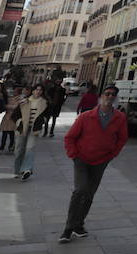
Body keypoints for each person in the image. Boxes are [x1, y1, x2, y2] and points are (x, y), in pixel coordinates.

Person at [59, 84, 128, 243]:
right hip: (82, 159)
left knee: (89, 194)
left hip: (101, 161)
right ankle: (68, 229)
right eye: (107, 93)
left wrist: (112, 154)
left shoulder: (119, 118)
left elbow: (122, 138)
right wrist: (74, 155)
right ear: (101, 96)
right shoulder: (86, 116)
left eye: (113, 95)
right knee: (80, 190)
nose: (109, 97)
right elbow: (70, 137)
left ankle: (79, 224)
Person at [14, 84, 49, 180]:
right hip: (22, 128)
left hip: (34, 129)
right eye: (36, 89)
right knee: (19, 149)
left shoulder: (45, 103)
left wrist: (44, 120)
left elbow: (47, 114)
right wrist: (19, 121)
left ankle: (27, 169)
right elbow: (15, 115)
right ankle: (18, 170)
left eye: (40, 90)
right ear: (33, 91)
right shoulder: (24, 101)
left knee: (30, 148)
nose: (38, 91)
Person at [0, 87, 23, 151]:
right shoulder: (11, 98)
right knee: (4, 132)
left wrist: (7, 106)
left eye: (15, 91)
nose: (13, 92)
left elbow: (15, 107)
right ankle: (2, 145)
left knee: (11, 132)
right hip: (7, 117)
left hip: (13, 117)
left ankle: (11, 145)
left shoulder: (20, 99)